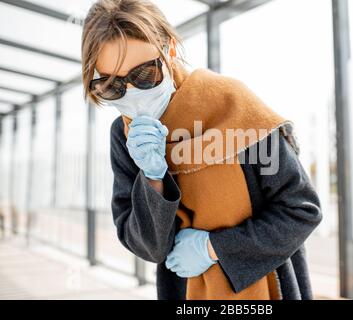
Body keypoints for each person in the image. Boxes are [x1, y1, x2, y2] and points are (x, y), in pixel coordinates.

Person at [81, 0, 322, 300]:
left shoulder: (234, 107)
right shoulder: (123, 135)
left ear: (168, 50)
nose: (133, 95)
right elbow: (148, 247)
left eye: (145, 75)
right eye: (112, 87)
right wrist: (152, 179)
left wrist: (214, 248)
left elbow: (302, 209)